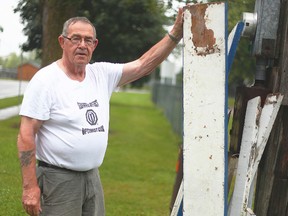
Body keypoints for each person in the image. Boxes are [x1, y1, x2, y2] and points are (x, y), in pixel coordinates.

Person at [17, 7, 183, 216]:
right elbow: (26, 134)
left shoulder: (101, 74)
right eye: (75, 39)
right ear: (62, 41)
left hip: (92, 178)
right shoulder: (45, 80)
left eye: (88, 40)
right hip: (57, 180)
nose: (82, 45)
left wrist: (175, 33)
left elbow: (143, 64)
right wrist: (29, 187)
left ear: (94, 45)